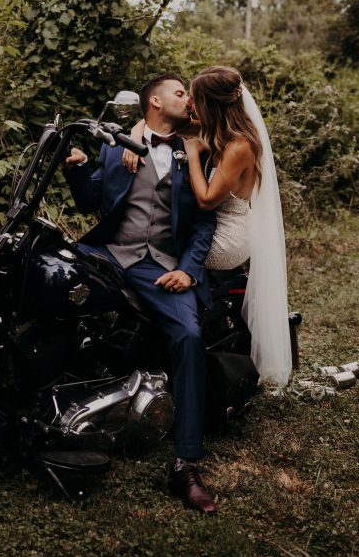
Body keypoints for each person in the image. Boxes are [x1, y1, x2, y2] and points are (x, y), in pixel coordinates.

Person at [64, 73, 219, 514]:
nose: (187, 99)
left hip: (161, 266)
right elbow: (91, 199)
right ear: (153, 100)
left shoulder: (196, 149)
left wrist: (188, 272)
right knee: (50, 287)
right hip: (110, 254)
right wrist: (76, 170)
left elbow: (205, 222)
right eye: (178, 92)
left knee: (188, 336)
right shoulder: (117, 145)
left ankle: (186, 463)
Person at [125, 66, 293, 389]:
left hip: (230, 234)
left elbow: (205, 200)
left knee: (163, 244)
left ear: (211, 103)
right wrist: (134, 139)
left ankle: (175, 330)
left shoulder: (239, 146)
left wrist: (191, 152)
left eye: (194, 97)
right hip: (215, 222)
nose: (189, 103)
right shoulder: (215, 125)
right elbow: (154, 122)